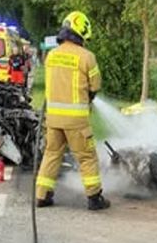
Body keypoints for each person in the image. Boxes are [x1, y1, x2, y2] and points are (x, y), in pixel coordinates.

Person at [36, 11, 110, 211]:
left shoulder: (52, 55)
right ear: (80, 32)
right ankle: (94, 198)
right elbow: (95, 85)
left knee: (51, 154)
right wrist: (90, 97)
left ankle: (42, 196)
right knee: (86, 157)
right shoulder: (87, 57)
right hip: (76, 121)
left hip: (53, 119)